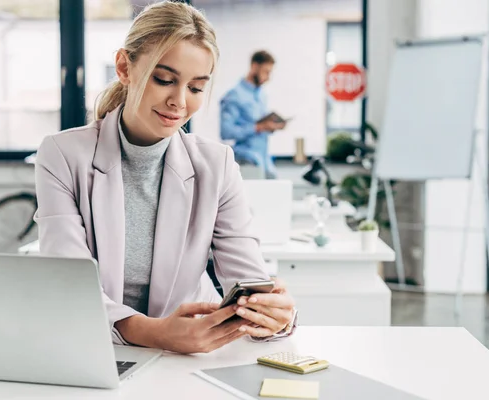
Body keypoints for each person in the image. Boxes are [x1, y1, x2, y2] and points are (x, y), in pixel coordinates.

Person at [34, 1, 295, 355]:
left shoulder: (217, 164)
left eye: (196, 88)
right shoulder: (62, 155)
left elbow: (247, 280)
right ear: (124, 67)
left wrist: (272, 318)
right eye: (164, 80)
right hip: (98, 348)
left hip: (190, 353)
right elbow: (68, 285)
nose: (179, 102)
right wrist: (157, 333)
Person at [220, 50, 286, 179]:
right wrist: (258, 127)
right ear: (254, 67)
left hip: (264, 159)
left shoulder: (262, 95)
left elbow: (260, 124)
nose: (268, 77)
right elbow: (226, 132)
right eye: (266, 72)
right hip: (246, 159)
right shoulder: (234, 96)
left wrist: (271, 126)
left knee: (277, 186)